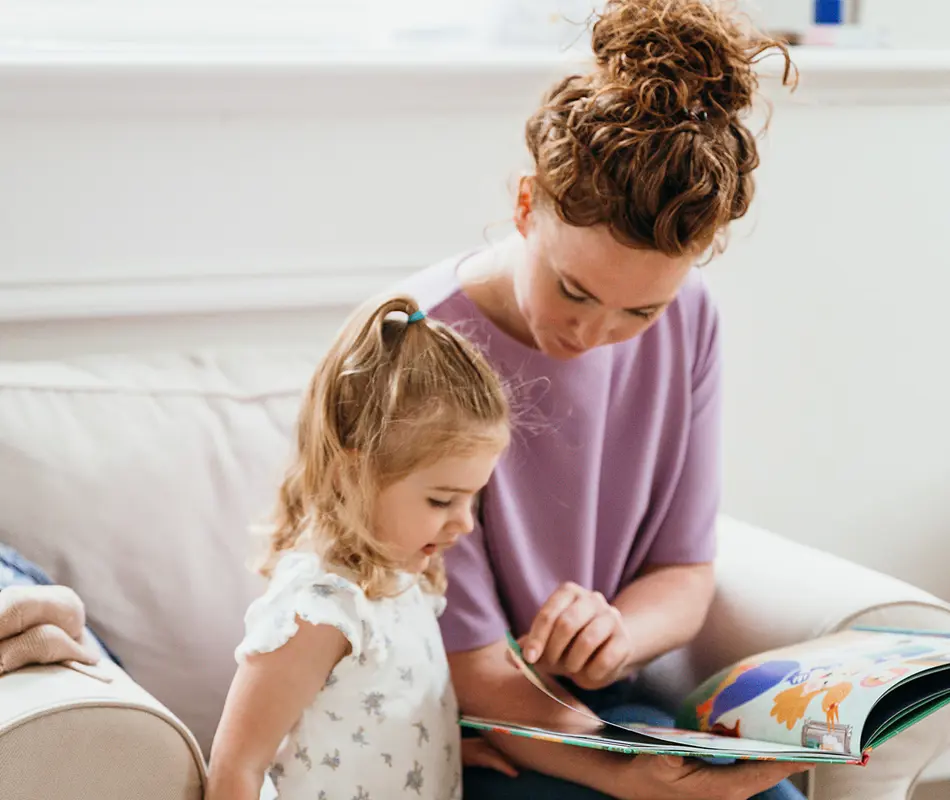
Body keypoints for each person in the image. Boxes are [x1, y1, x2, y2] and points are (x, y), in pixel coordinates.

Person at [400, 1, 808, 798]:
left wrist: (617, 635)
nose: (594, 334)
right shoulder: (421, 341)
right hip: (459, 723)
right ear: (526, 206)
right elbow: (470, 669)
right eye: (574, 289)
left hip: (598, 710)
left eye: (640, 311)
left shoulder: (691, 319)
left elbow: (684, 571)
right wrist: (632, 774)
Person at [206, 295, 510, 800]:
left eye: (473, 499)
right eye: (442, 500)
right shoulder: (321, 608)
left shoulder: (404, 578)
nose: (465, 523)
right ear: (354, 472)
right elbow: (236, 766)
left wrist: (438, 749)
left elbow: (368, 714)